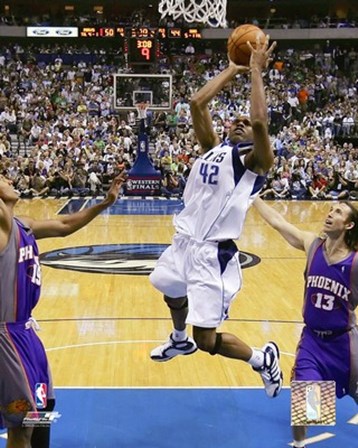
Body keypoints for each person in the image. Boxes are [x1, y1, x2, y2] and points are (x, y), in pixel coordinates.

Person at [149, 35, 283, 399]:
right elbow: (196, 102)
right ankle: (178, 340)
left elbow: (260, 124)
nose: (241, 121)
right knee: (167, 286)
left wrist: (255, 72)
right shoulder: (213, 150)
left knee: (206, 340)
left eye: (245, 121)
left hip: (213, 255)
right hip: (183, 245)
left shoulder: (256, 162)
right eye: (234, 120)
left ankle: (262, 358)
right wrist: (233, 67)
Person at [0, 172, 126, 448]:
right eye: (2, 178)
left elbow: (65, 223)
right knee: (21, 425)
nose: (9, 179)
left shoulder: (24, 225)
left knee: (42, 407)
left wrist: (105, 203)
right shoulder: (2, 228)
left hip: (26, 333)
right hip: (5, 338)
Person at [253, 197, 358, 448]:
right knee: (307, 407)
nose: (330, 213)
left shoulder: (355, 262)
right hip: (312, 342)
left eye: (339, 212)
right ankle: (300, 445)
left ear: (349, 225)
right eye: (331, 209)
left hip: (344, 344)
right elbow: (278, 223)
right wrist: (252, 196)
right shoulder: (312, 245)